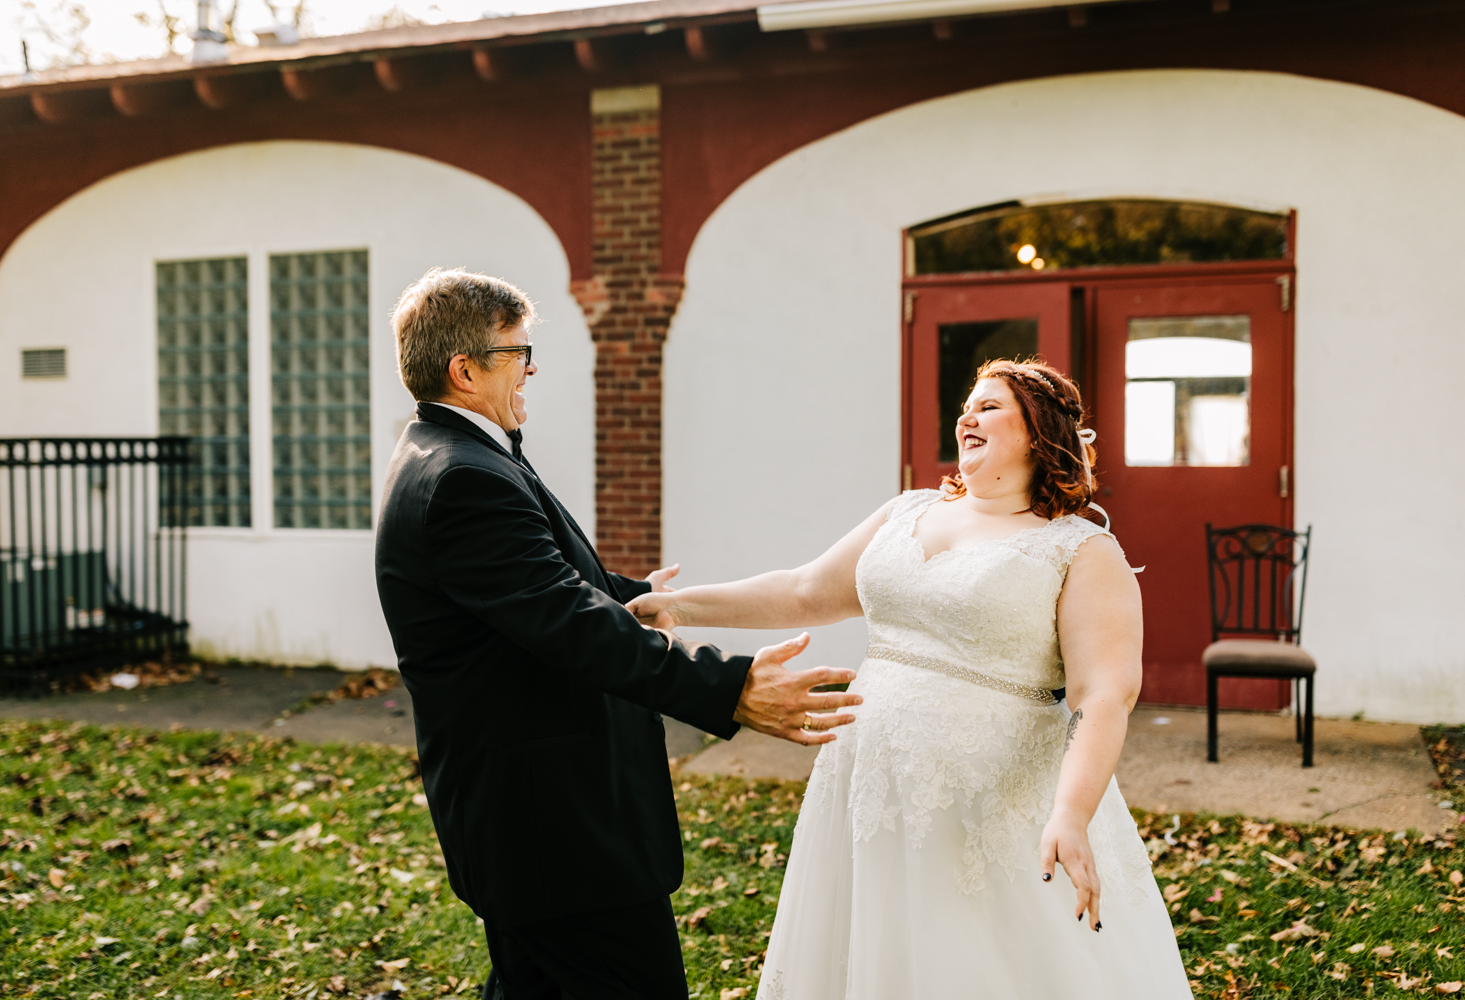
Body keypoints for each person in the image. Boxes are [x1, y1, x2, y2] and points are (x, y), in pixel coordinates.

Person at [629, 359, 1193, 998]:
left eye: (988, 407)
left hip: (993, 801)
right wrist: (683, 606)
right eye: (966, 406)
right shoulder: (909, 511)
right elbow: (805, 589)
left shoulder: (1079, 549)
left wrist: (1072, 810)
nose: (966, 417)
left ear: (1038, 433)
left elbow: (1104, 694)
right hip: (866, 786)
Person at [373, 268, 863, 1000]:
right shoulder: (462, 478)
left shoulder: (451, 453)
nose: (531, 367)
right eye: (517, 353)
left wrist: (630, 598)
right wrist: (727, 687)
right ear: (465, 369)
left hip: (530, 818)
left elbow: (531, 590)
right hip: (555, 831)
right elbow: (565, 623)